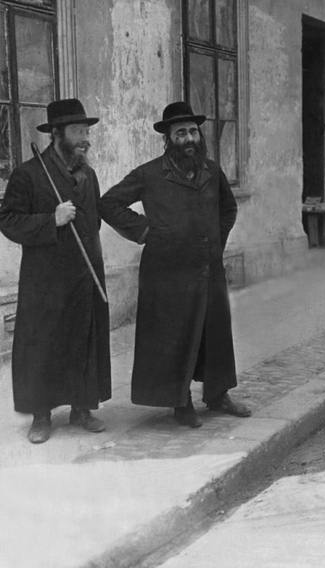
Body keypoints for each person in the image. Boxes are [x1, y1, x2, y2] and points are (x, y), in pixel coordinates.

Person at [100, 102, 250, 428]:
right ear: (168, 138)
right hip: (167, 272)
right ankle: (179, 402)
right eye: (180, 132)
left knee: (216, 334)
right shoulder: (150, 174)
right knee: (176, 335)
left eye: (193, 131)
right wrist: (144, 231)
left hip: (208, 267)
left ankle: (218, 394)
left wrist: (215, 243)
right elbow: (108, 203)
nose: (189, 138)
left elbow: (228, 209)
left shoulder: (212, 171)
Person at [0, 99, 110, 443]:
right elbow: (8, 220)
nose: (85, 138)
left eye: (86, 131)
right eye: (78, 132)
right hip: (45, 279)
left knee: (82, 341)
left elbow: (94, 220)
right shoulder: (28, 174)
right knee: (43, 345)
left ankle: (81, 408)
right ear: (57, 134)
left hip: (84, 274)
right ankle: (41, 416)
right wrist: (52, 220)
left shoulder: (88, 174)